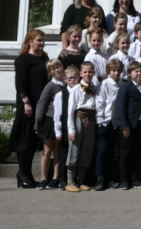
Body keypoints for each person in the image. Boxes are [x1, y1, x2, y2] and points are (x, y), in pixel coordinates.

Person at [10, 29, 49, 188]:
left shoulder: (44, 58)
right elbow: (20, 83)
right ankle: (22, 173)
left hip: (41, 104)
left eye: (42, 40)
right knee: (24, 139)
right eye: (39, 40)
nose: (42, 43)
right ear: (30, 42)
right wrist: (25, 101)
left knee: (33, 140)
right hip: (28, 105)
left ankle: (29, 173)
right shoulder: (23, 59)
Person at [65, 61, 100, 192]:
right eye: (85, 72)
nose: (88, 74)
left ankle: (81, 180)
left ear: (94, 73)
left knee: (86, 150)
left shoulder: (95, 88)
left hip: (90, 121)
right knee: (74, 150)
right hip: (78, 119)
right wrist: (72, 130)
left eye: (90, 72)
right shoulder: (76, 90)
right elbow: (70, 112)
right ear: (80, 74)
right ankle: (70, 180)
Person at [33, 59, 66, 190]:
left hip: (61, 120)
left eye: (58, 66)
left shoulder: (66, 84)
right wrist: (37, 123)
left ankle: (55, 178)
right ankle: (43, 178)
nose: (57, 69)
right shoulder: (50, 86)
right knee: (47, 151)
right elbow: (41, 104)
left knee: (57, 150)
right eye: (53, 68)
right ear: (50, 73)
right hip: (49, 120)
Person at [114, 61, 141, 190]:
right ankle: (124, 180)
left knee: (136, 152)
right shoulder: (126, 87)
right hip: (128, 124)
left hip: (139, 124)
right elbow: (121, 107)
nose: (138, 73)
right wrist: (125, 125)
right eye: (136, 71)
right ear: (129, 74)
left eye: (140, 71)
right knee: (125, 153)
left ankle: (135, 178)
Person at [95, 58, 121, 190]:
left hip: (116, 122)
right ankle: (100, 179)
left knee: (112, 151)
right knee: (102, 150)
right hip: (105, 121)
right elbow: (100, 102)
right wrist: (100, 120)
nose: (116, 73)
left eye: (118, 71)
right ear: (109, 71)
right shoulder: (104, 84)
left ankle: (110, 178)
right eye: (113, 71)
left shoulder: (122, 84)